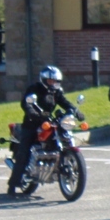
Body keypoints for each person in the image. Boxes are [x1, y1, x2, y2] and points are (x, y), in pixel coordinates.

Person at [7, 66, 79, 196]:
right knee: (23, 152)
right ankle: (13, 184)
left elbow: (65, 102)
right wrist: (32, 113)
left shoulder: (56, 92)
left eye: (55, 81)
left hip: (49, 122)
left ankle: (60, 164)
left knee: (64, 136)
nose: (53, 83)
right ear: (44, 80)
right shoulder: (34, 89)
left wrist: (75, 111)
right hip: (32, 124)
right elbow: (26, 103)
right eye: (50, 81)